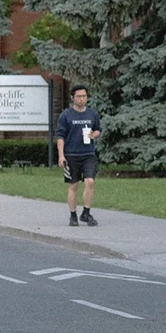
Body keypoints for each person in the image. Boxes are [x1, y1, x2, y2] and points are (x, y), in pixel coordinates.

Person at [55, 84, 103, 227]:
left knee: (90, 181)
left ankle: (86, 213)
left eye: (84, 96)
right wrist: (61, 156)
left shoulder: (92, 114)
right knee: (73, 185)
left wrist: (94, 134)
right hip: (71, 155)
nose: (82, 99)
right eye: (79, 96)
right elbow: (60, 137)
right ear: (72, 98)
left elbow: (98, 130)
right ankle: (73, 215)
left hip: (88, 153)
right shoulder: (66, 115)